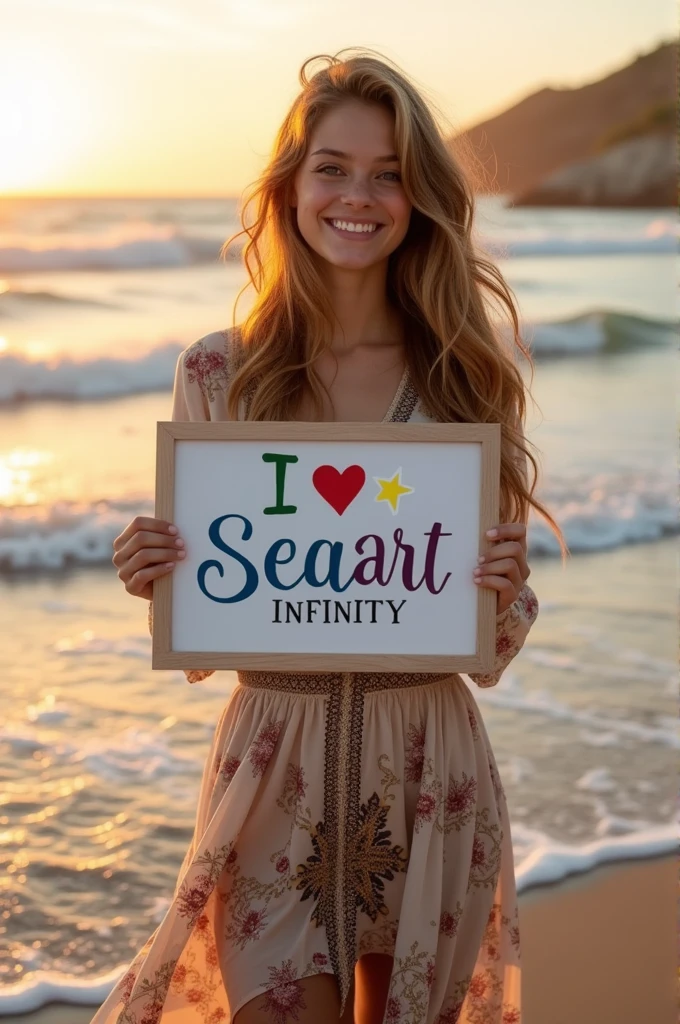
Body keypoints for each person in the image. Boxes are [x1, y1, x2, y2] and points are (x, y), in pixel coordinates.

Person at [98, 48, 566, 1024]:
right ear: (289, 187)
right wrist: (156, 575)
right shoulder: (220, 372)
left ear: (419, 197)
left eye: (389, 173)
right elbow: (212, 613)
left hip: (426, 766)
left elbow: (490, 645)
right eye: (333, 168)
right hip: (272, 761)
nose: (360, 195)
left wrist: (502, 585)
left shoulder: (464, 375)